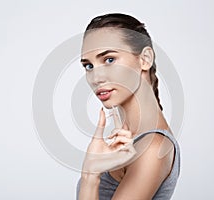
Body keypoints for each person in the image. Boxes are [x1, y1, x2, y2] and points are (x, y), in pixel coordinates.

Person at [76, 13, 180, 200]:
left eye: (109, 60)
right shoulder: (128, 140)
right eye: (89, 66)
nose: (96, 78)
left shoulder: (152, 147)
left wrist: (90, 176)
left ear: (145, 59)